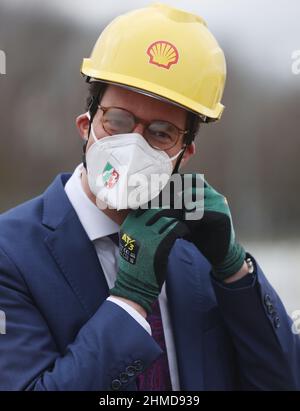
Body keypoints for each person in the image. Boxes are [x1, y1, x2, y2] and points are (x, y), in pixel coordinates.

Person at [0, 3, 299, 391]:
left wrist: (234, 270)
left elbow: (283, 381)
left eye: (160, 133)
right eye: (118, 121)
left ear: (183, 154)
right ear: (86, 125)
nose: (133, 144)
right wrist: (129, 301)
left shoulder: (196, 249)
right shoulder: (10, 253)